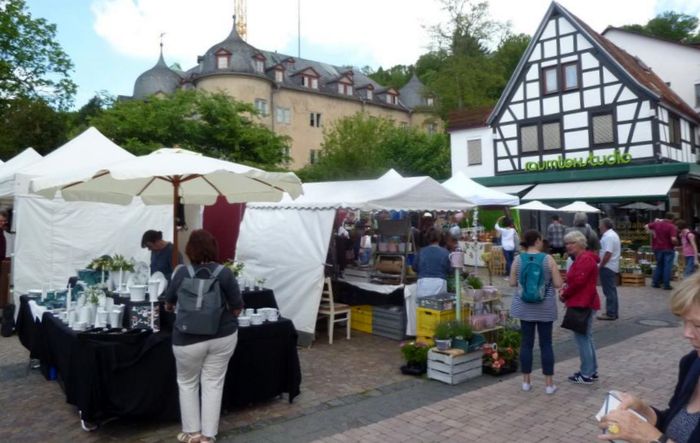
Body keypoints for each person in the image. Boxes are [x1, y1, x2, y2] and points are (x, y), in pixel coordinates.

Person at [597, 272, 700, 442]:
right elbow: (674, 424)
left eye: (697, 325)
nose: (686, 333)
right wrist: (644, 412)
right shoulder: (692, 363)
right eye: (684, 322)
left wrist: (651, 438)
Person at [164, 229, 243, 443]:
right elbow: (237, 307)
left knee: (187, 383)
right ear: (213, 247)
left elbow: (168, 303)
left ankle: (193, 433)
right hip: (222, 336)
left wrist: (174, 306)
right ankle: (209, 436)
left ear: (189, 249)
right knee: (213, 383)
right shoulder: (224, 273)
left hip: (187, 339)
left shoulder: (181, 272)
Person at [509, 230, 564, 394]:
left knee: (526, 343)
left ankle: (526, 382)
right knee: (546, 344)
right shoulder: (548, 259)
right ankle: (548, 385)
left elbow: (512, 283)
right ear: (538, 240)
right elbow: (558, 283)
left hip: (524, 308)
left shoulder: (518, 259)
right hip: (545, 308)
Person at [560, 230, 600, 385]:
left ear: (580, 243)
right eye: (567, 243)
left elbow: (578, 282)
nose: (568, 246)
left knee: (582, 339)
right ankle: (591, 370)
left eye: (571, 243)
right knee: (586, 338)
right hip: (585, 301)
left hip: (583, 302)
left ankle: (586, 373)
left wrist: (564, 294)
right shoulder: (584, 258)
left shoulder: (584, 259)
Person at [412, 228, 451, 298]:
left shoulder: (421, 251)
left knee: (422, 306)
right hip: (440, 283)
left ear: (427, 239)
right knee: (437, 307)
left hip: (423, 283)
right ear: (439, 238)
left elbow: (414, 267)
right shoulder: (446, 253)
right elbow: (450, 270)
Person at [646, 213, 679, 290]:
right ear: (672, 218)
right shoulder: (671, 226)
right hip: (668, 248)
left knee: (659, 265)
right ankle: (666, 284)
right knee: (667, 266)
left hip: (657, 248)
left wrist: (652, 233)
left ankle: (655, 283)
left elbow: (646, 226)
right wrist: (677, 243)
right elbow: (673, 239)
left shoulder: (657, 224)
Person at [597, 218, 621, 321]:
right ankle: (613, 311)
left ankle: (611, 313)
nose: (599, 227)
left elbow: (608, 253)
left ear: (604, 226)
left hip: (608, 266)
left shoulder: (608, 236)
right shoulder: (611, 235)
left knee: (609, 290)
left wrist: (601, 265)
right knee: (611, 290)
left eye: (600, 225)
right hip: (611, 265)